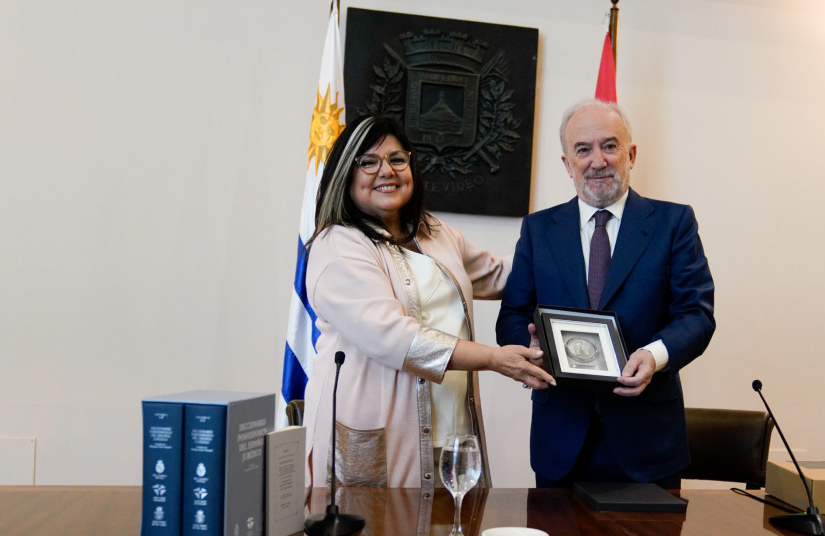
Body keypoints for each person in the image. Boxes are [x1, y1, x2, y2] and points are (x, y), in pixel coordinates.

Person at [303, 116, 554, 490]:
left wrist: (566, 251)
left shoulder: (433, 231)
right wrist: (493, 358)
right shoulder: (338, 246)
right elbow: (395, 339)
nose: (386, 171)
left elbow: (501, 275)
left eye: (397, 159)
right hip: (378, 433)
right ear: (346, 176)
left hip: (452, 428)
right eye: (368, 162)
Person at [496, 100, 715, 489]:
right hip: (559, 441)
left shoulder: (673, 223)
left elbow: (696, 314)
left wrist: (653, 356)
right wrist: (530, 350)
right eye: (583, 149)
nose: (597, 160)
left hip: (648, 443)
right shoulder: (538, 229)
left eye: (609, 146)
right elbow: (513, 314)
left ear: (631, 155)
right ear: (567, 163)